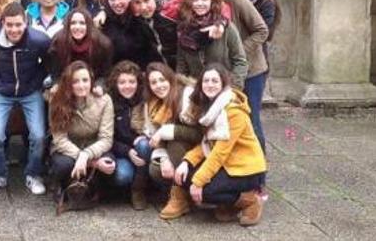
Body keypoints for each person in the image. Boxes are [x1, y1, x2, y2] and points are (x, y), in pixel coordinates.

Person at [173, 64, 267, 226]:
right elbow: (207, 143)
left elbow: (220, 152)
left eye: (215, 81)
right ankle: (229, 203)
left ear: (223, 84)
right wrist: (186, 162)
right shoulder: (210, 108)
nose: (210, 84)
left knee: (206, 190)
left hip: (246, 169)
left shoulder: (233, 112)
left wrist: (199, 181)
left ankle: (250, 200)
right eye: (206, 81)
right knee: (185, 177)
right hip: (227, 165)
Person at [0, 3, 51, 195]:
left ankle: (33, 174)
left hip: (30, 91)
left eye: (18, 25)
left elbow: (50, 64)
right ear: (3, 24)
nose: (14, 30)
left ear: (26, 23)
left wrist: (35, 83)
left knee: (39, 136)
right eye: (10, 25)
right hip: (2, 90)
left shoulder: (39, 40)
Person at [182, 0, 269, 92]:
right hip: (213, 80)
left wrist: (237, 51)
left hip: (250, 69)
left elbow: (262, 30)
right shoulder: (190, 11)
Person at [227, 0, 279, 151]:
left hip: (253, 66)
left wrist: (237, 51)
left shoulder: (265, 2)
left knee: (251, 115)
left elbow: (262, 33)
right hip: (226, 64)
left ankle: (259, 167)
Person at [138, 62, 202, 219]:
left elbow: (199, 134)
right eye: (153, 82)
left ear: (170, 79)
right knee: (156, 168)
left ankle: (179, 195)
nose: (159, 85)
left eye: (162, 80)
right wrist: (164, 157)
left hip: (200, 149)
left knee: (175, 143)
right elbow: (154, 139)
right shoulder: (152, 105)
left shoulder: (186, 95)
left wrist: (166, 131)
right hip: (174, 150)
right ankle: (180, 193)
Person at [48, 61, 115, 198]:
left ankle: (91, 187)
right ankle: (61, 184)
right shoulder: (57, 100)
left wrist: (86, 155)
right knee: (63, 165)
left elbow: (106, 139)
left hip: (94, 147)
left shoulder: (104, 100)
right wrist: (87, 160)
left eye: (85, 80)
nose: (81, 85)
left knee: (110, 167)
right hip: (67, 150)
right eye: (75, 81)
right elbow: (60, 139)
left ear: (91, 81)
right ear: (68, 83)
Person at [176, 0, 249, 86]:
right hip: (196, 92)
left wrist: (233, 88)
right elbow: (181, 68)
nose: (200, 3)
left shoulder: (226, 28)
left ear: (211, 1)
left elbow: (240, 62)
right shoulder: (183, 30)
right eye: (195, 0)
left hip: (224, 89)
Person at [106, 60, 151, 210]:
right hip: (121, 151)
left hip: (143, 149)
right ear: (115, 84)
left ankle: (138, 190)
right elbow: (107, 137)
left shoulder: (145, 100)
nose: (127, 86)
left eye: (132, 81)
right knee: (122, 176)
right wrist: (127, 151)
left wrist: (145, 135)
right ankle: (130, 184)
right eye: (122, 82)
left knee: (144, 145)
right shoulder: (109, 102)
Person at [101, 0, 163, 69]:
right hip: (115, 74)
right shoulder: (104, 21)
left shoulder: (141, 19)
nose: (116, 3)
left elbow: (153, 53)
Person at [48, 8, 114, 87]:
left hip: (93, 85)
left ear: (89, 25)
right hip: (66, 85)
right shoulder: (58, 42)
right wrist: (57, 85)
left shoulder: (102, 44)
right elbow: (55, 73)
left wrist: (100, 86)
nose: (77, 27)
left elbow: (105, 74)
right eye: (73, 23)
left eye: (82, 23)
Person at [130, 0, 178, 67]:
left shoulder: (172, 13)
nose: (143, 7)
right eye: (137, 2)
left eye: (146, 0)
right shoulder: (140, 21)